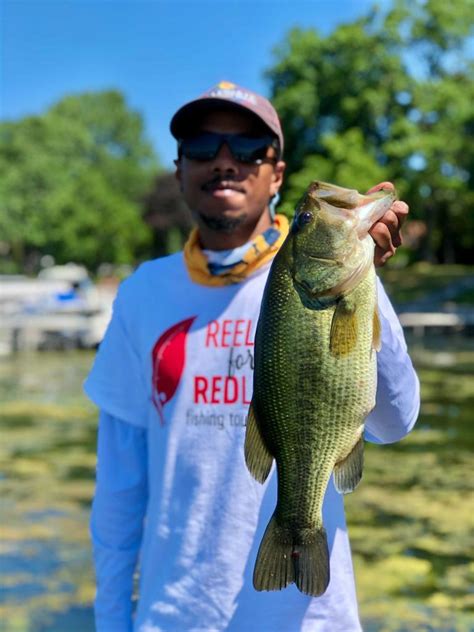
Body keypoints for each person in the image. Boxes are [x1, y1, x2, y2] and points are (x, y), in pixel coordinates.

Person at [85, 81, 420, 632]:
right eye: (202, 148)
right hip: (172, 616)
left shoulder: (340, 274)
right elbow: (119, 487)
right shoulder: (143, 293)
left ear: (276, 175)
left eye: (246, 150)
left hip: (309, 619)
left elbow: (394, 422)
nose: (224, 163)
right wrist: (111, 619)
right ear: (179, 170)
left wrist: (369, 288)